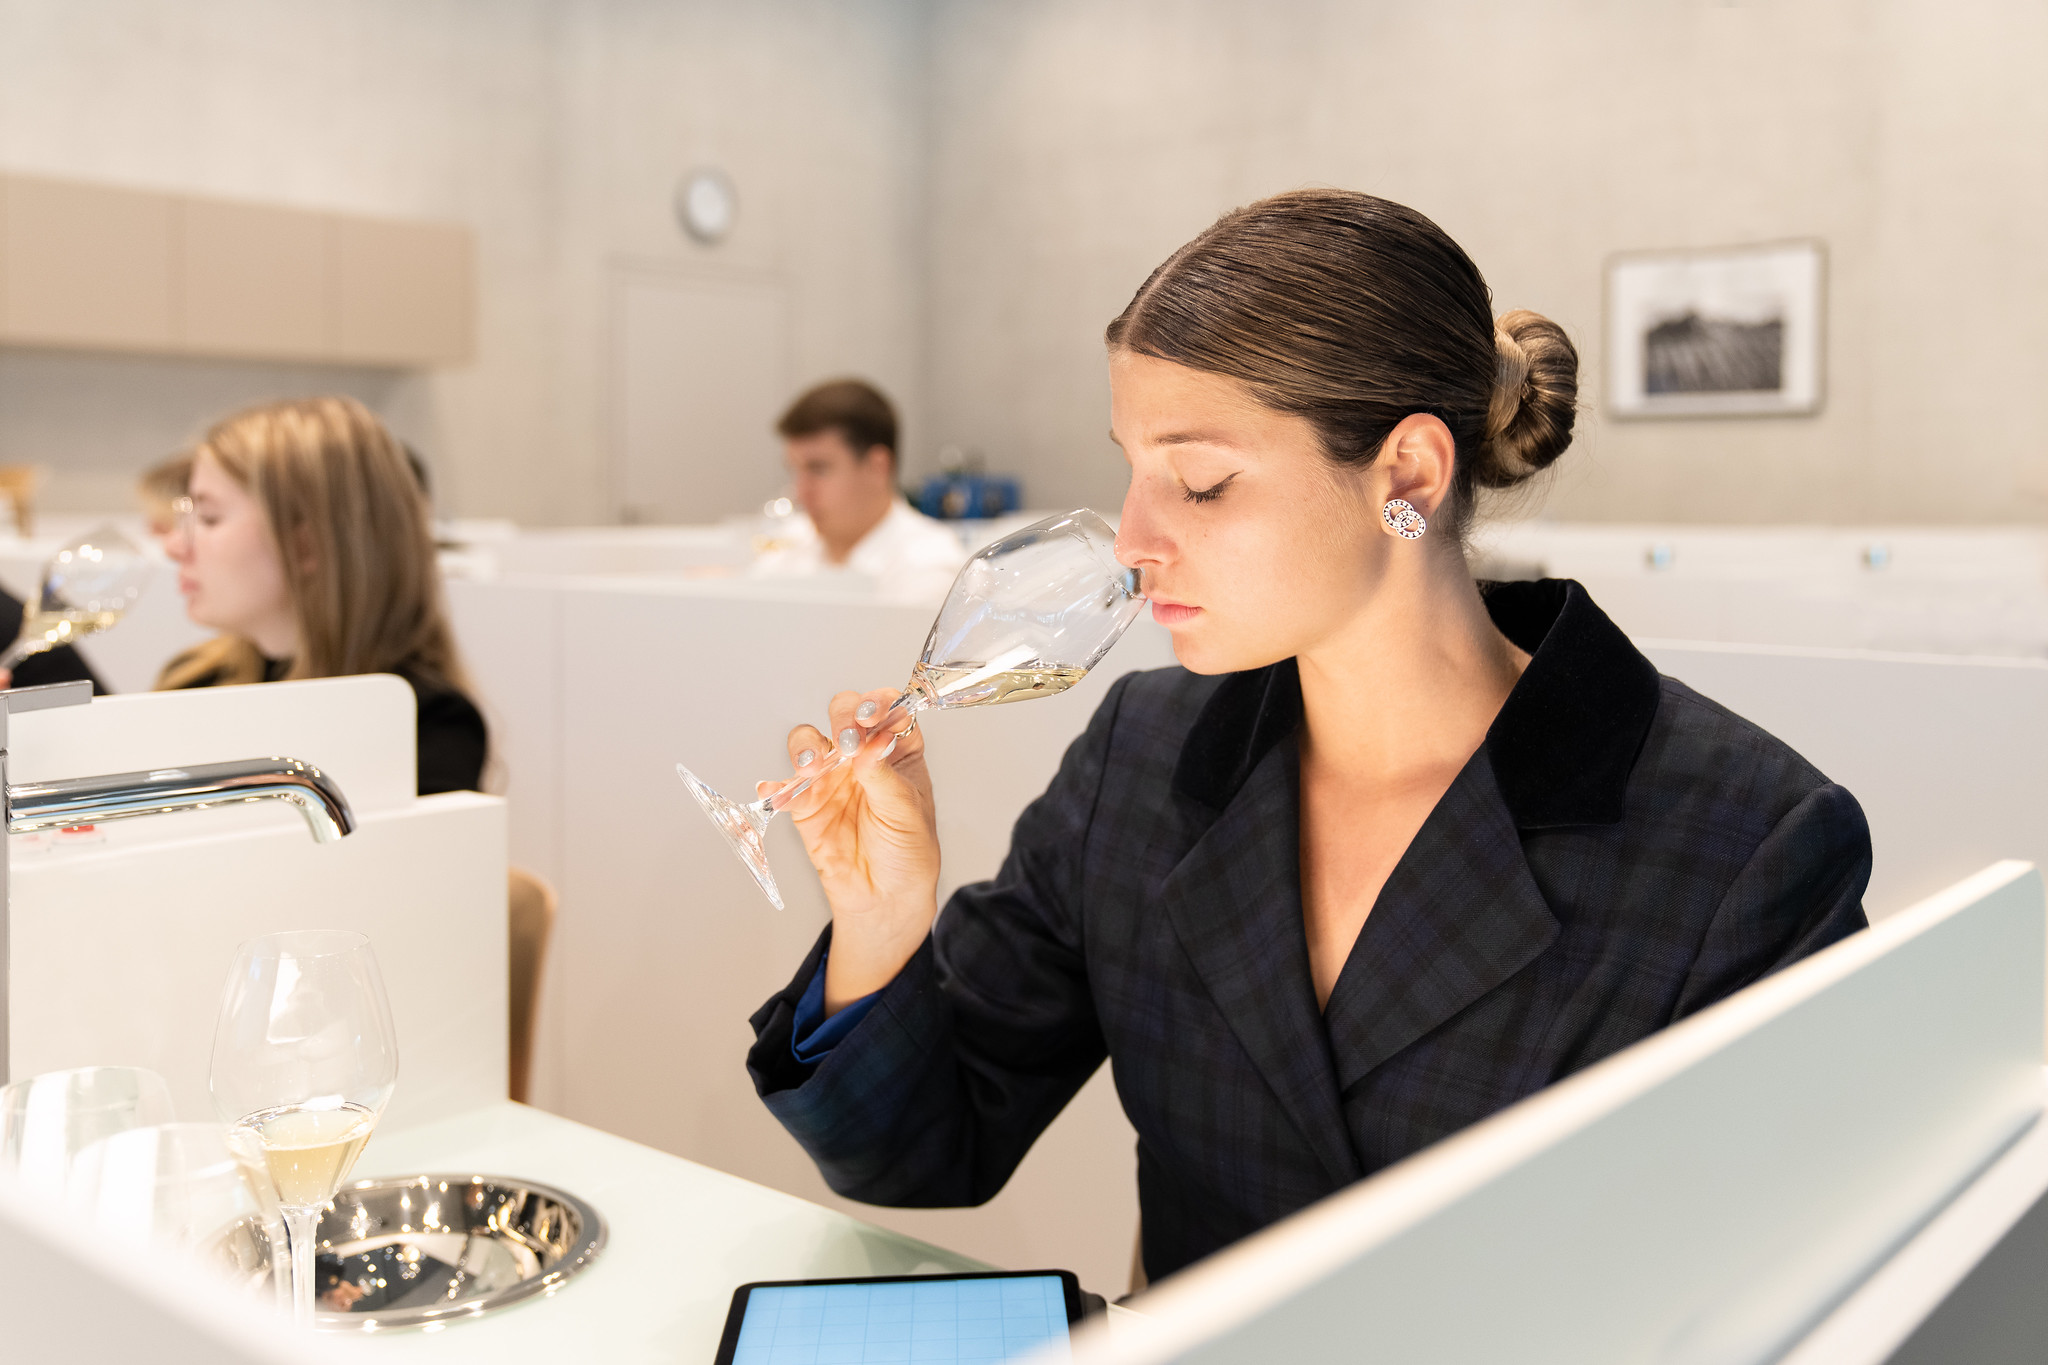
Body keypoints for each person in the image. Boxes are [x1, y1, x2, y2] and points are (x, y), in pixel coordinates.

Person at [743, 191, 1872, 1284]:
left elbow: (1772, 1295)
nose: (1133, 540)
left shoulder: (1745, 848)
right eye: (1129, 471)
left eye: (1199, 481)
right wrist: (883, 924)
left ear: (1408, 475)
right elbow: (923, 1150)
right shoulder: (1141, 757)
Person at [156, 397, 487, 796]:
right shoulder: (195, 681)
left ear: (307, 546)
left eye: (208, 519)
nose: (175, 545)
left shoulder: (421, 728)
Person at [751, 379, 966, 603]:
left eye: (818, 469)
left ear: (877, 467)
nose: (801, 490)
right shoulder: (793, 542)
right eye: (795, 471)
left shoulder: (930, 566)